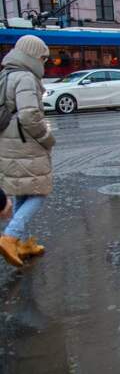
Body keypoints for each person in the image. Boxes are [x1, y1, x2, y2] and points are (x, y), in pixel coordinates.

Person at [0, 35, 54, 268]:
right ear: (32, 55)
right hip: (25, 143)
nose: (44, 62)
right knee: (38, 192)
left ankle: (20, 242)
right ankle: (11, 237)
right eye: (43, 57)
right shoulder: (25, 77)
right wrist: (46, 137)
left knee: (23, 190)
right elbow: (29, 114)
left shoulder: (6, 74)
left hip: (9, 142)